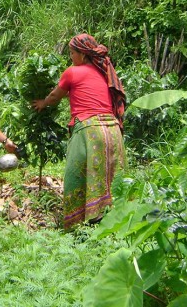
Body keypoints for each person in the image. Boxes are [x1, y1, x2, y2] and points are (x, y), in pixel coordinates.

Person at [32, 33, 126, 229]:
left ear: (83, 55)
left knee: (76, 176)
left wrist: (42, 103)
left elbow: (55, 96)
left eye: (72, 53)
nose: (71, 57)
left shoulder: (73, 72)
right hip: (112, 129)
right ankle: (114, 220)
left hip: (89, 129)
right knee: (111, 177)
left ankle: (78, 223)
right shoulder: (104, 72)